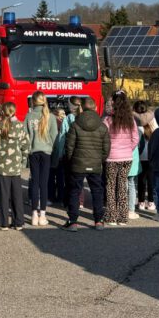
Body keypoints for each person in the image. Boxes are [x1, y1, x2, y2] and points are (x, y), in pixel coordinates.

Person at [62, 96, 110, 231]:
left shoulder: (75, 124)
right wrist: (99, 159)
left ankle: (73, 222)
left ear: (81, 108)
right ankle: (98, 221)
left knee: (74, 191)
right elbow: (106, 148)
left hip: (78, 163)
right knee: (97, 191)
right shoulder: (102, 126)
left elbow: (69, 146)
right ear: (95, 108)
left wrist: (72, 160)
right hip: (95, 164)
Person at [0, 102, 30, 230]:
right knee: (17, 195)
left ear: (3, 111)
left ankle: (3, 223)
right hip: (16, 166)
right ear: (14, 111)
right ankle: (19, 222)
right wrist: (22, 161)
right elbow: (26, 145)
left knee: (3, 195)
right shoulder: (20, 125)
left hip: (2, 166)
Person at [25, 90, 58, 226]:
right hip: (46, 152)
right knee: (44, 184)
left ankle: (33, 214)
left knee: (35, 182)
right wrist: (52, 151)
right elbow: (55, 136)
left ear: (33, 101)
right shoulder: (50, 117)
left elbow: (25, 136)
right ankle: (42, 215)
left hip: (33, 152)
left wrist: (27, 151)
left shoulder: (29, 116)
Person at [103, 92, 137, 226]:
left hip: (111, 157)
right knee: (122, 185)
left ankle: (112, 216)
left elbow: (104, 139)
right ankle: (123, 217)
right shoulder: (131, 120)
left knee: (111, 186)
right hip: (127, 157)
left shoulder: (108, 120)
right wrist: (129, 149)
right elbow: (135, 139)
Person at [133, 100, 156, 213]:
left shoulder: (134, 122)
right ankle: (151, 202)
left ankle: (141, 202)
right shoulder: (152, 120)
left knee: (141, 180)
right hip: (151, 155)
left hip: (139, 156)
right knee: (151, 180)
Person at [49, 107, 68, 205]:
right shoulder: (59, 124)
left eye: (64, 113)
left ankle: (53, 198)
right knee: (58, 178)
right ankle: (59, 198)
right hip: (56, 154)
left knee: (55, 178)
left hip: (56, 154)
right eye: (62, 114)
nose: (64, 116)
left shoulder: (60, 123)